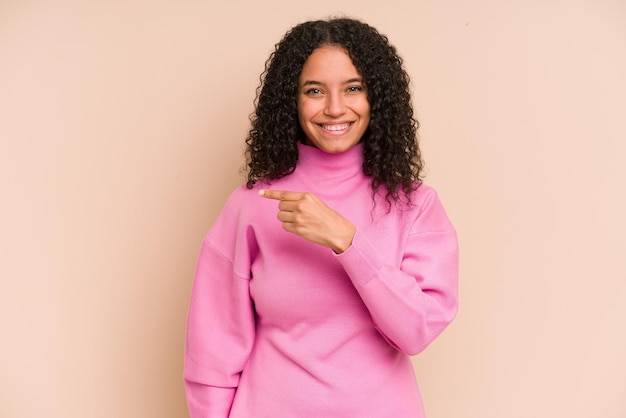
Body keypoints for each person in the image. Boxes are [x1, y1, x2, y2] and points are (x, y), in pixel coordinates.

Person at [184, 17, 458, 418]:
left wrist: (347, 241)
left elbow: (415, 332)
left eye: (353, 88)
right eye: (314, 90)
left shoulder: (414, 204)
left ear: (377, 96)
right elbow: (213, 352)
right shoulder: (253, 204)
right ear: (291, 101)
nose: (334, 108)